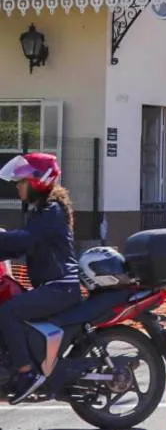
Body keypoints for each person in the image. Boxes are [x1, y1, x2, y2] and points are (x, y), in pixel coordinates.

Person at [0, 153, 82, 403]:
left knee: (8, 312)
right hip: (53, 286)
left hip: (60, 287)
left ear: (38, 181)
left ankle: (26, 374)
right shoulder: (41, 211)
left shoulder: (50, 211)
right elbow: (18, 246)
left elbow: (24, 240)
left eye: (21, 181)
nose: (17, 186)